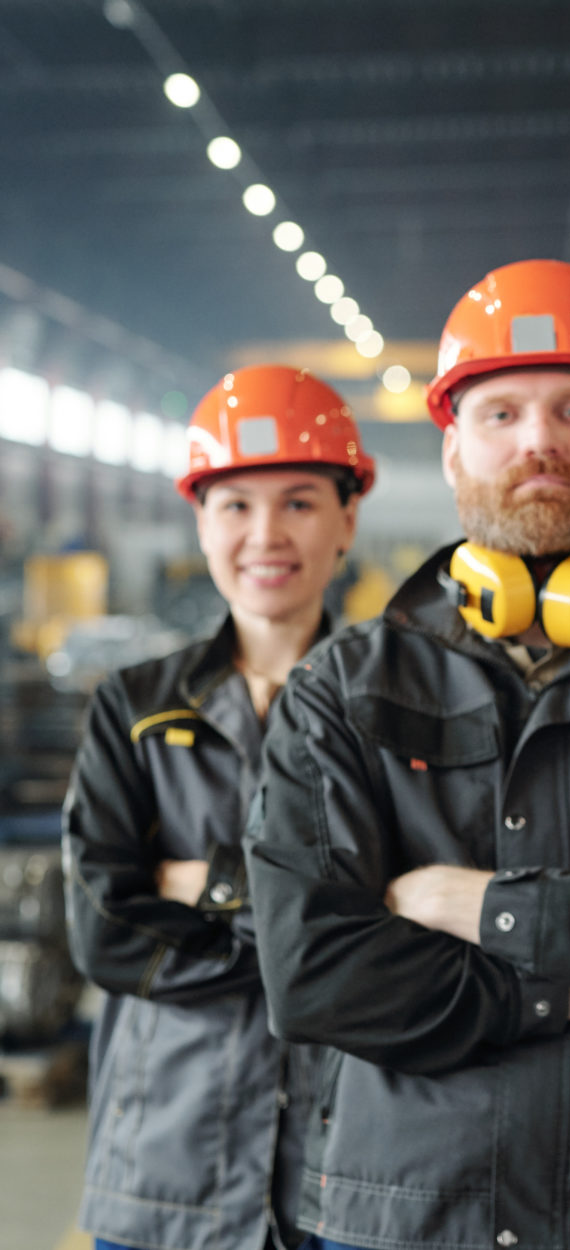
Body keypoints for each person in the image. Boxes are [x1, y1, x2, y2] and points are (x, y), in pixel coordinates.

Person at [243, 259, 570, 1250]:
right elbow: (316, 975)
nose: (540, 440)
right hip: (407, 1214)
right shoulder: (344, 690)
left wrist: (462, 904)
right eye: (501, 412)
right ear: (454, 446)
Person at [63, 365, 375, 1250]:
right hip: (167, 1165)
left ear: (347, 517)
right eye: (235, 504)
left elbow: (408, 943)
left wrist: (209, 887)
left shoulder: (395, 710)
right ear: (200, 520)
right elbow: (105, 932)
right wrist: (315, 935)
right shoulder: (134, 705)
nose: (265, 534)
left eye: (301, 502)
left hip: (349, 1169)